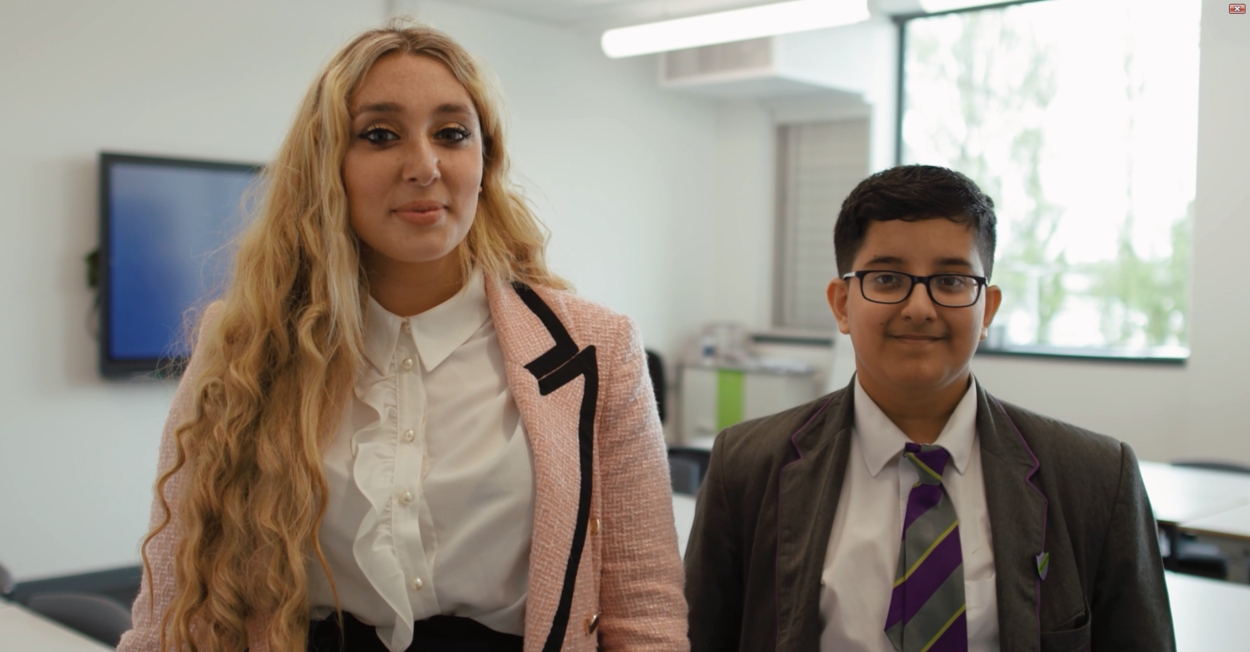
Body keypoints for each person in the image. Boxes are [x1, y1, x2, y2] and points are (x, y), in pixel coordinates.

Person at [118, 21, 687, 652]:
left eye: (452, 134)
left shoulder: (596, 348)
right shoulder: (244, 344)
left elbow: (644, 613)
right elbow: (170, 608)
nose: (424, 167)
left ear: (486, 161)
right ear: (327, 163)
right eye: (380, 135)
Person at [684, 165, 1173, 651]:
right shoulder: (747, 466)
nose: (919, 307)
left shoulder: (1096, 478)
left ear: (989, 310)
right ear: (841, 304)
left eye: (952, 281)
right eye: (888, 278)